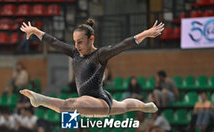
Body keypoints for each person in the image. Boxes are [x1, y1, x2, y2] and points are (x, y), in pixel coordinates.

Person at [19, 19, 163, 116]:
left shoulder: (100, 54)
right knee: (125, 106)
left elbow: (123, 45)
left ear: (91, 39)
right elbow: (55, 42)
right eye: (75, 42)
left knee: (70, 104)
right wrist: (35, 30)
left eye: (80, 42)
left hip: (100, 101)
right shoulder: (75, 53)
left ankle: (40, 100)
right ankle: (145, 106)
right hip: (88, 102)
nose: (76, 46)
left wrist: (146, 33)